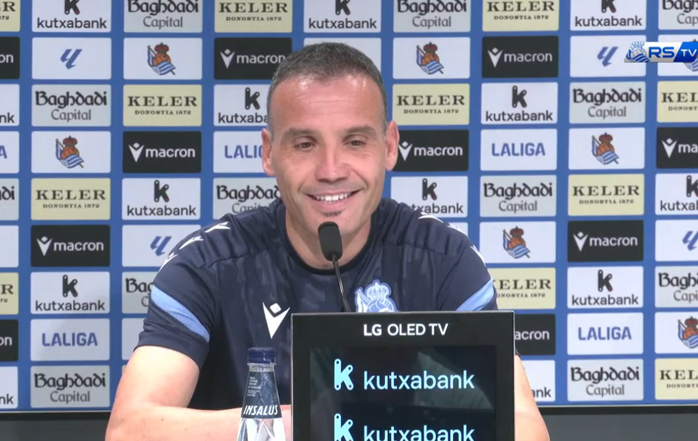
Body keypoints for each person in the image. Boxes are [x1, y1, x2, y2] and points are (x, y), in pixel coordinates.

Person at [105, 42, 550, 441]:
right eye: (304, 144)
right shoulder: (207, 265)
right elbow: (129, 430)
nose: (331, 170)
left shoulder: (444, 259)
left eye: (355, 141)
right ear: (269, 152)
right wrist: (301, 424)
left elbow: (524, 426)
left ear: (389, 146)